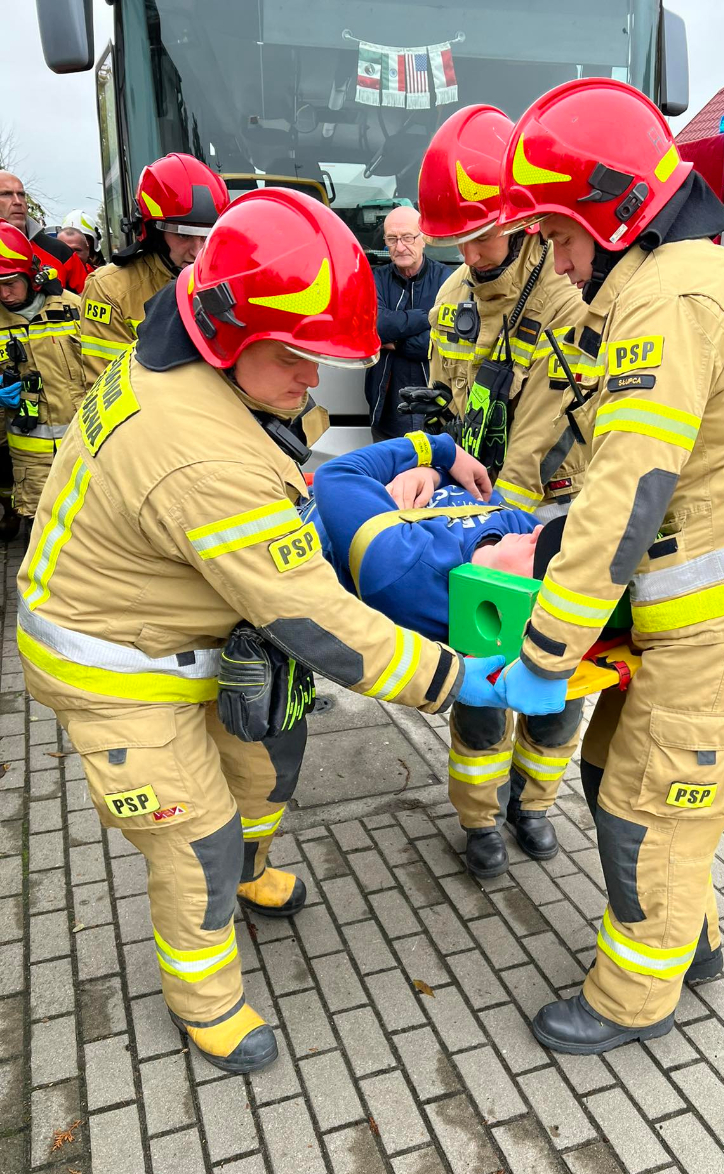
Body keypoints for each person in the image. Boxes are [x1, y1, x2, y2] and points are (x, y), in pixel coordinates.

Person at [17, 189, 520, 1075]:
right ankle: (205, 999)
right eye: (295, 359)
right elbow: (318, 623)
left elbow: (289, 483)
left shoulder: (192, 364)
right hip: (114, 662)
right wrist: (456, 680)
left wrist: (418, 455)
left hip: (176, 622)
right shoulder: (197, 449)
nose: (310, 382)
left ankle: (248, 872)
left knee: (258, 765)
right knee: (194, 830)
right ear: (231, 334)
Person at [495, 79, 724, 1054]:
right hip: (712, 618)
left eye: (559, 236)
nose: (555, 260)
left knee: (649, 814)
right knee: (613, 774)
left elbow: (628, 496)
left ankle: (631, 998)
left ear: (610, 214)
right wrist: (554, 546)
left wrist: (551, 641)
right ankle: (696, 943)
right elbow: (634, 473)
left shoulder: (667, 298)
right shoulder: (685, 280)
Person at [411, 104, 588, 879]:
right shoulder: (450, 297)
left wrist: (499, 535)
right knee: (482, 678)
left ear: (520, 219)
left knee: (556, 677)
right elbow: (444, 406)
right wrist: (433, 466)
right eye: (459, 236)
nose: (473, 251)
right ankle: (479, 818)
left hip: (547, 516)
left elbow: (543, 431)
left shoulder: (565, 298)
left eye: (485, 232)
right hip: (482, 512)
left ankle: (536, 804)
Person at [306, 430, 541, 640]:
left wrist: (440, 449)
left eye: (544, 556)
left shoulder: (407, 567)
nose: (539, 532)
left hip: (300, 508)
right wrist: (428, 475)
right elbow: (471, 484)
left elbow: (337, 473)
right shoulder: (520, 530)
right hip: (356, 493)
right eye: (555, 540)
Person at [78, 152, 229, 385]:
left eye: (207, 237)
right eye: (183, 235)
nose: (198, 251)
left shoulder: (228, 281)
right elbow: (109, 389)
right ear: (153, 233)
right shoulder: (110, 290)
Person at [0, 221, 85, 535]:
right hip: (30, 462)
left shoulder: (74, 309)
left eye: (10, 282)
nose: (4, 293)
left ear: (31, 275)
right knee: (42, 536)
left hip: (84, 450)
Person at [365, 205, 451, 441]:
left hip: (440, 407)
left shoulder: (448, 279)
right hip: (387, 408)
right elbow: (377, 325)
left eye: (407, 237)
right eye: (392, 239)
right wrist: (428, 316)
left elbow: (447, 340)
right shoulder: (376, 278)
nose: (399, 246)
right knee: (390, 475)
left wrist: (397, 344)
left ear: (424, 238)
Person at [0, 172, 88, 294]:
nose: (17, 201)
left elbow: (93, 300)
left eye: (21, 195)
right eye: (6, 194)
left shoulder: (59, 252)